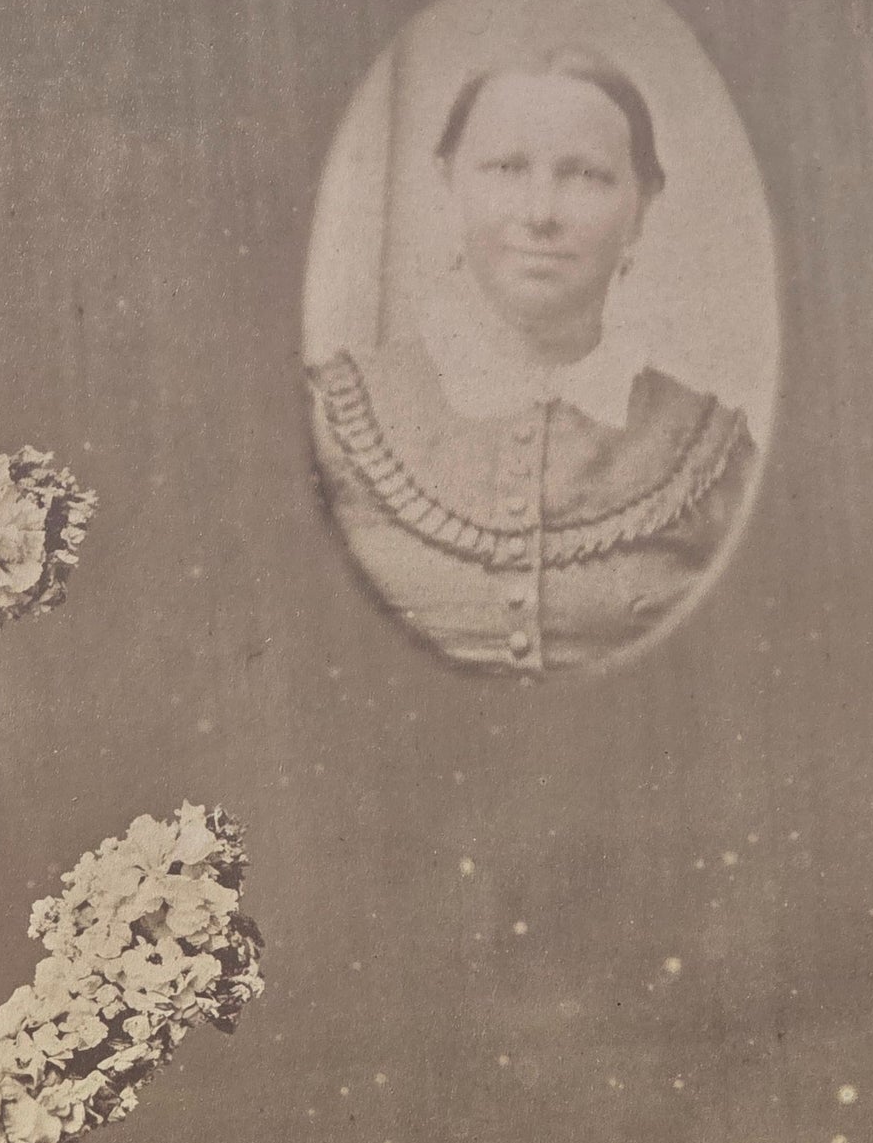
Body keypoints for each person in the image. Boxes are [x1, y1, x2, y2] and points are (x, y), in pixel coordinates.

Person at [310, 47, 756, 674]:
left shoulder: (712, 457)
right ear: (448, 186)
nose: (541, 213)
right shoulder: (331, 428)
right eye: (506, 168)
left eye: (586, 176)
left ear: (642, 206)